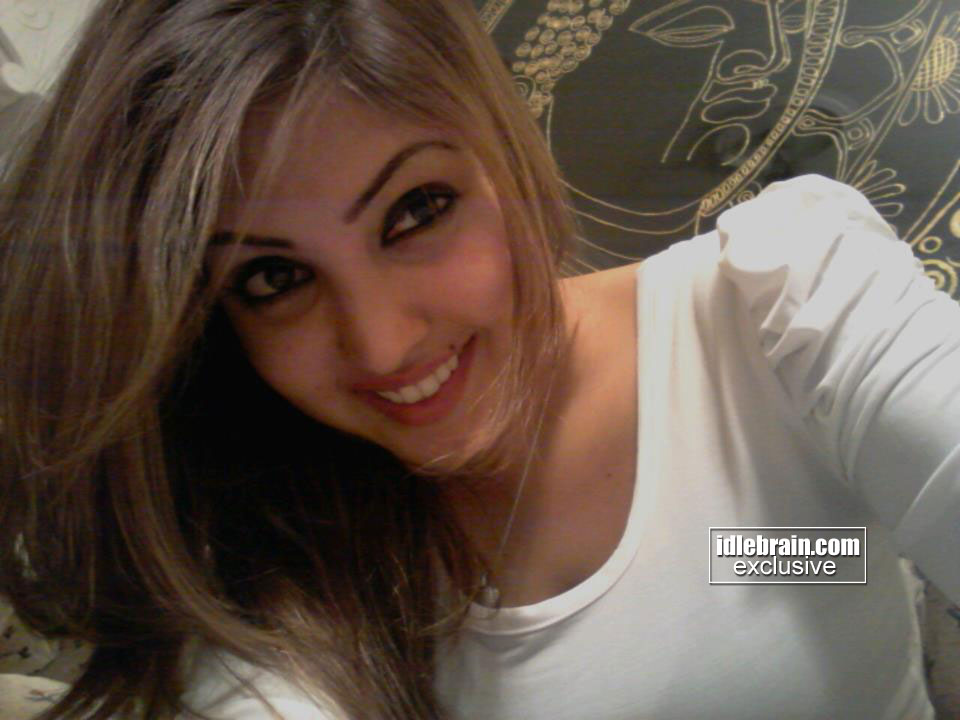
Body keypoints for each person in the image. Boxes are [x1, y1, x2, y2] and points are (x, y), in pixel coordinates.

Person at [0, 2, 957, 720]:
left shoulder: (779, 307)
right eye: (273, 279)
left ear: (503, 146)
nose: (381, 344)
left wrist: (777, 546)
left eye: (416, 211)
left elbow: (826, 548)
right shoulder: (278, 540)